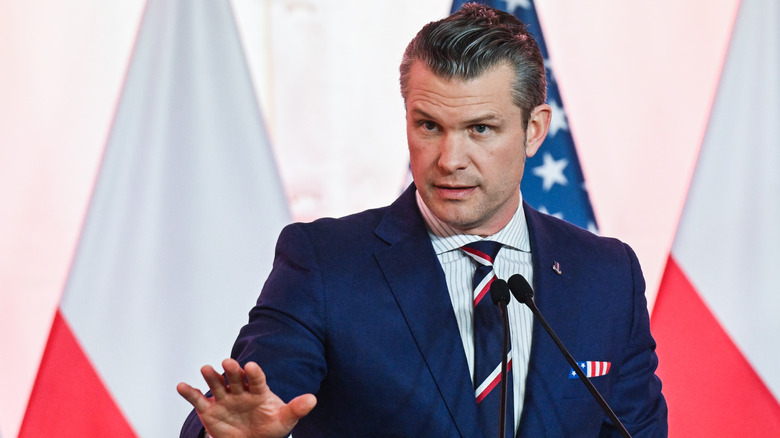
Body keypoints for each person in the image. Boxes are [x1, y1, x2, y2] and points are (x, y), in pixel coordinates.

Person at [177, 3, 668, 437]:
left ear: (534, 130)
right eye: (429, 125)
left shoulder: (607, 274)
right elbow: (249, 404)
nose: (450, 159)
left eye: (481, 129)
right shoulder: (323, 264)